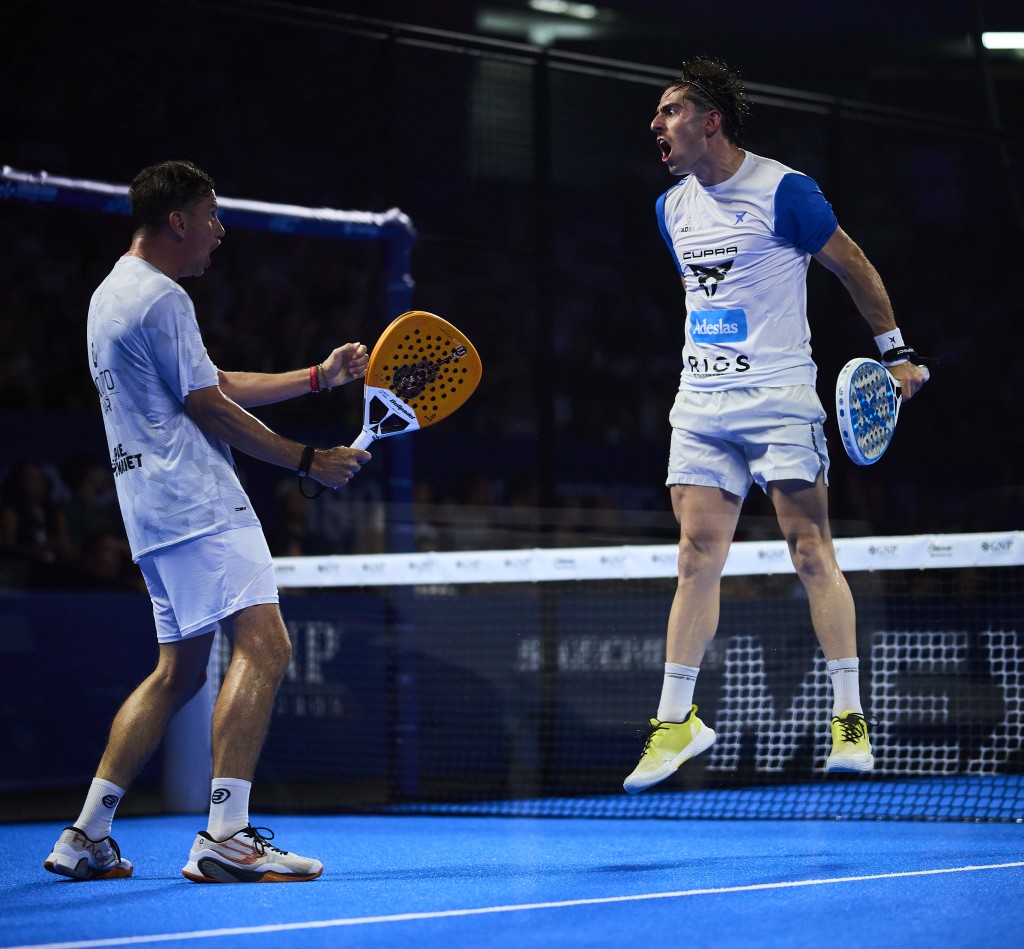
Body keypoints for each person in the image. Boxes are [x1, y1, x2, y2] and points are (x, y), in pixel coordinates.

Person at [44, 160, 372, 881]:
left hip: (150, 515)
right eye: (213, 217)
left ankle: (85, 835)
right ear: (179, 221)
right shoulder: (161, 298)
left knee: (178, 672)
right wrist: (307, 459)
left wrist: (318, 378)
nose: (220, 234)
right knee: (267, 645)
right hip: (198, 505)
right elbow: (211, 408)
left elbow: (214, 381)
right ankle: (227, 832)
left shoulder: (111, 294)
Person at [623, 57, 928, 795]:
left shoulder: (785, 191)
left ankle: (850, 718)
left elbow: (851, 264)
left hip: (780, 396)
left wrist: (898, 354)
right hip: (700, 402)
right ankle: (675, 722)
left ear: (710, 121)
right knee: (696, 555)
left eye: (669, 111)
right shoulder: (671, 209)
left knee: (809, 548)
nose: (656, 124)